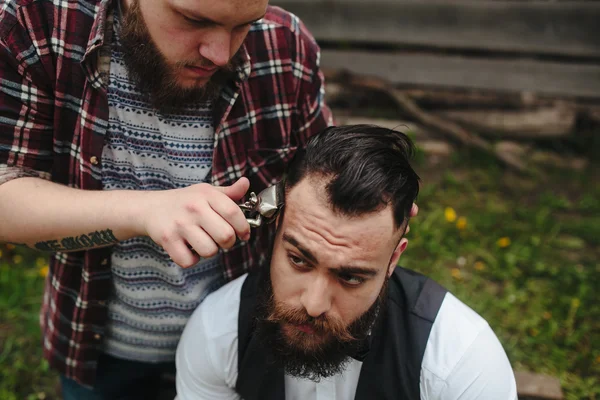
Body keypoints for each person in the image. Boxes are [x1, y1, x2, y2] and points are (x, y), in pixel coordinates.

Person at [0, 0, 349, 397]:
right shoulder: (39, 23)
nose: (221, 53)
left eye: (244, 26)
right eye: (195, 20)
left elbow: (320, 172)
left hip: (239, 345)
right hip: (100, 351)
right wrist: (145, 210)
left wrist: (365, 192)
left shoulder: (286, 43)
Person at [175, 125, 517, 400]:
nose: (313, 304)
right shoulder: (218, 332)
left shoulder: (460, 362)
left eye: (351, 278)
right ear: (276, 229)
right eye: (298, 260)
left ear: (393, 260)